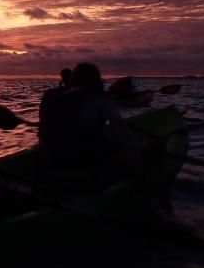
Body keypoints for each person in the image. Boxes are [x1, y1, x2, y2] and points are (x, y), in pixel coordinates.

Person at [38, 62, 142, 191]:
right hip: (84, 169)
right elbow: (124, 135)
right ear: (97, 81)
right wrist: (138, 169)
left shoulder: (50, 96)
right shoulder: (100, 100)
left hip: (49, 164)